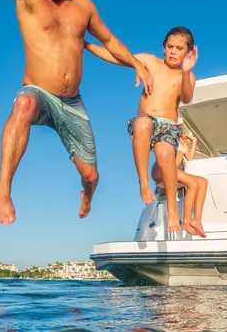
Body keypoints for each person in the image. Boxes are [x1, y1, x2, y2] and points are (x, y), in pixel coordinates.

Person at [0, 0, 153, 225]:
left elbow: (110, 40)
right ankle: (3, 190)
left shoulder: (83, 7)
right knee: (23, 104)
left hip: (72, 103)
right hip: (38, 92)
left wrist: (136, 64)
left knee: (91, 175)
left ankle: (86, 195)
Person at [84, 27, 198, 234]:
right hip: (146, 121)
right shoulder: (150, 61)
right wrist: (86, 45)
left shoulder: (186, 75)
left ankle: (173, 208)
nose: (173, 51)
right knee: (142, 124)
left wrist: (186, 71)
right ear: (163, 48)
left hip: (169, 126)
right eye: (170, 47)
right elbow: (118, 57)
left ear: (187, 52)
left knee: (165, 156)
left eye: (179, 49)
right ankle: (143, 182)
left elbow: (187, 97)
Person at [151, 117, 208, 237]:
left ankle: (196, 220)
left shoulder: (180, 141)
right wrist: (180, 152)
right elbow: (170, 166)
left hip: (172, 170)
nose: (181, 130)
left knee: (203, 181)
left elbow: (190, 159)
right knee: (193, 182)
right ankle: (186, 221)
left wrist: (194, 142)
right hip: (160, 171)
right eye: (179, 127)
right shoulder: (168, 140)